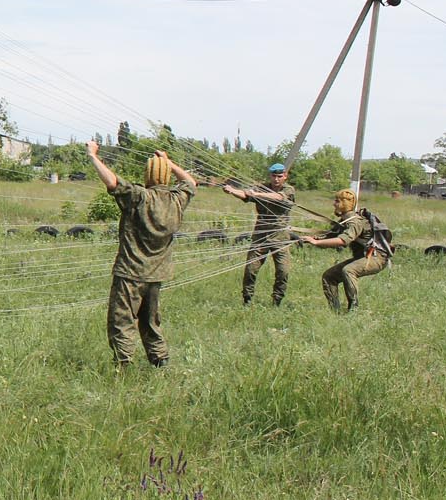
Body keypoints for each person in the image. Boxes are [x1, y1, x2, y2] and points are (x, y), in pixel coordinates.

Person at [86, 141, 197, 368]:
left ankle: (123, 365)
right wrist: (169, 162)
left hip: (130, 273)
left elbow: (112, 182)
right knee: (150, 321)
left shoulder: (139, 197)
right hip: (156, 275)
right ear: (167, 176)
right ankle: (160, 361)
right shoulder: (177, 200)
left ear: (147, 175)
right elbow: (190, 182)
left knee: (122, 320)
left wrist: (93, 156)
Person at [297, 188, 387, 312]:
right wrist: (312, 239)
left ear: (344, 204)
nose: (334, 204)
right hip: (364, 257)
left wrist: (316, 242)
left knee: (348, 270)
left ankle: (353, 309)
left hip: (376, 258)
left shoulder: (355, 222)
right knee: (329, 277)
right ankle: (335, 311)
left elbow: (343, 240)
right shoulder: (345, 221)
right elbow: (331, 235)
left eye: (337, 201)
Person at [221, 163, 297, 306]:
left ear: (285, 176)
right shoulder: (262, 187)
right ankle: (247, 299)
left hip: (280, 238)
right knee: (251, 270)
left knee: (283, 271)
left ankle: (277, 301)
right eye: (274, 176)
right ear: (270, 176)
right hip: (260, 238)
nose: (276, 179)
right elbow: (246, 195)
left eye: (279, 176)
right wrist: (232, 190)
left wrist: (256, 194)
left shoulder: (288, 190)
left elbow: (278, 197)